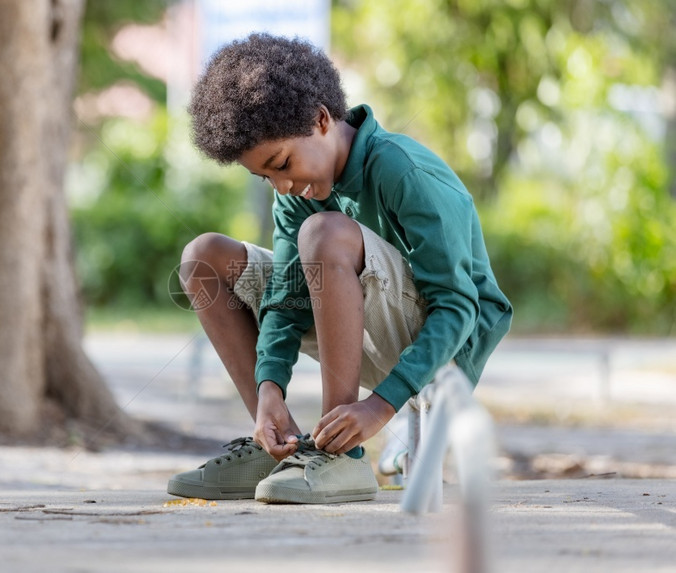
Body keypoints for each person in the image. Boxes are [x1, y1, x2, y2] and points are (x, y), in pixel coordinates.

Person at [167, 33, 512, 504]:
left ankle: (338, 457)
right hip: (359, 321)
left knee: (323, 233)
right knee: (202, 258)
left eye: (282, 163)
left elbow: (458, 307)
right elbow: (286, 300)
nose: (282, 185)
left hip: (439, 347)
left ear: (321, 119)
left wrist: (378, 406)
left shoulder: (401, 170)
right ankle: (278, 446)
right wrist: (269, 386)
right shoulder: (295, 194)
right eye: (265, 177)